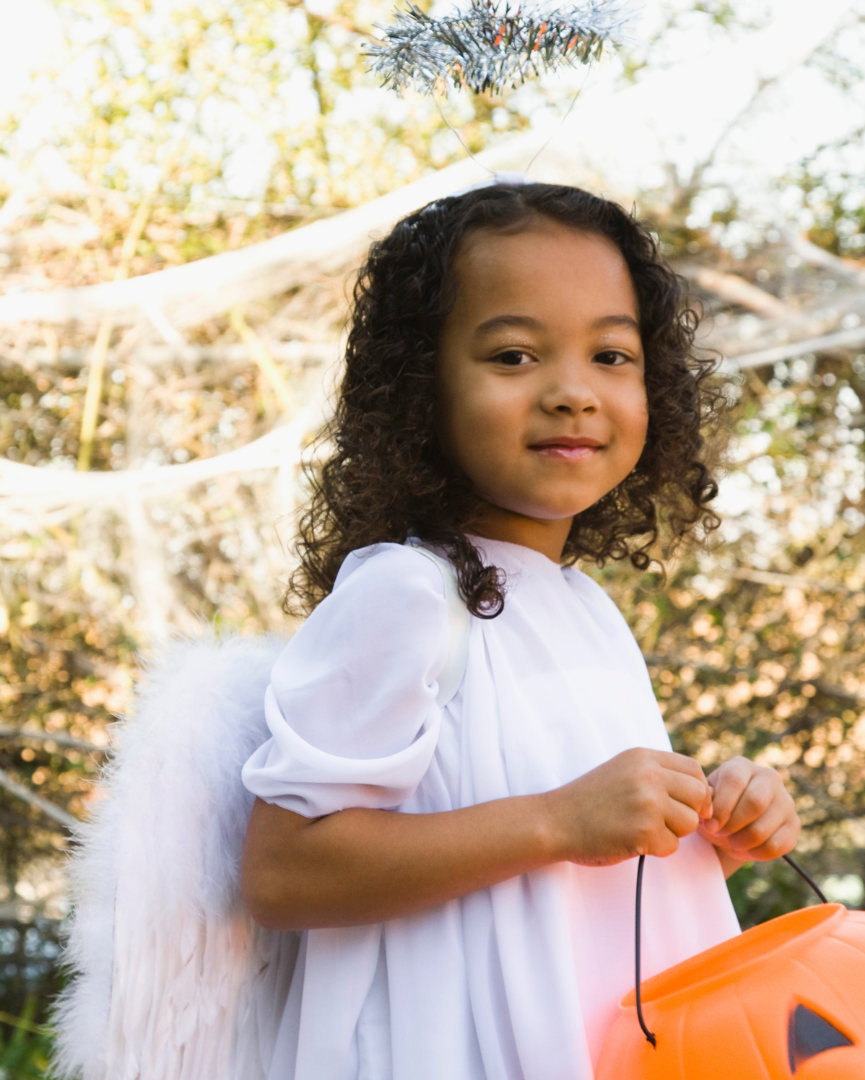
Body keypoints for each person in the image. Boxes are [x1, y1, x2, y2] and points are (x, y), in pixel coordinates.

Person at [238, 180, 801, 1080]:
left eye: (612, 355)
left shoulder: (583, 608)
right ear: (421, 386)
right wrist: (557, 820)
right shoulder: (406, 596)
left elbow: (571, 886)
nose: (574, 393)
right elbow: (283, 874)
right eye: (513, 356)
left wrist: (703, 839)